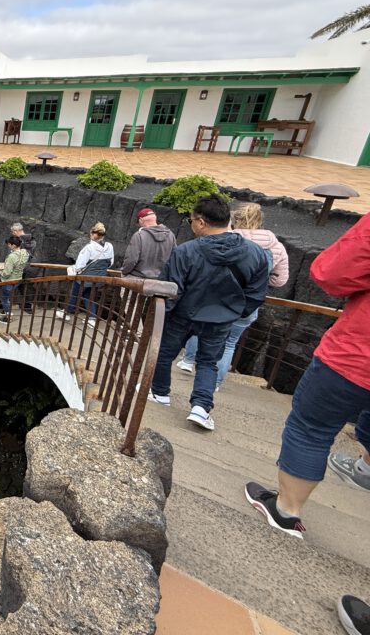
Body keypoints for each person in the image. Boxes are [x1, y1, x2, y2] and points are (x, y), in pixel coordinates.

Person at [244, 211, 370, 537]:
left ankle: (286, 512)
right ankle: (365, 468)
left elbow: (330, 273)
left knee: (312, 427)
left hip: (358, 355)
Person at [148, 195, 270, 431]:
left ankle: (160, 393)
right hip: (222, 318)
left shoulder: (186, 251)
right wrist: (234, 312)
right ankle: (201, 408)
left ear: (201, 222)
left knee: (164, 353)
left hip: (183, 315)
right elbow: (256, 292)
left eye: (191, 220)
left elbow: (170, 288)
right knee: (208, 361)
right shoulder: (255, 253)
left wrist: (165, 316)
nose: (191, 224)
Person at [178, 202, 289, 389]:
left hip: (218, 298)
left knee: (202, 329)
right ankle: (215, 383)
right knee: (230, 343)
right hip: (248, 304)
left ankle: (189, 361)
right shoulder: (276, 246)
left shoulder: (227, 238)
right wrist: (260, 281)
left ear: (235, 220)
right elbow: (280, 280)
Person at [60, 222, 114, 328]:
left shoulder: (89, 248)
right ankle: (92, 318)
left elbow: (80, 265)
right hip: (99, 278)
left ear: (93, 234)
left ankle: (66, 313)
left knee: (75, 294)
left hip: (84, 278)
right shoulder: (109, 246)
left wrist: (73, 269)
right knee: (87, 296)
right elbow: (110, 263)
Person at [121, 207, 176, 279]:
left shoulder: (139, 236)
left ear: (140, 220)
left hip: (137, 279)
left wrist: (124, 272)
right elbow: (174, 259)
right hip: (160, 280)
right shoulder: (171, 235)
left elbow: (131, 260)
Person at [0, 235, 29, 323]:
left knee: (4, 298)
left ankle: (8, 316)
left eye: (9, 244)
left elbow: (6, 273)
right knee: (2, 292)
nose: (8, 246)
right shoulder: (25, 253)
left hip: (9, 281)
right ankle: (6, 309)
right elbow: (18, 266)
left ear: (13, 245)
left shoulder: (12, 256)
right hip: (18, 279)